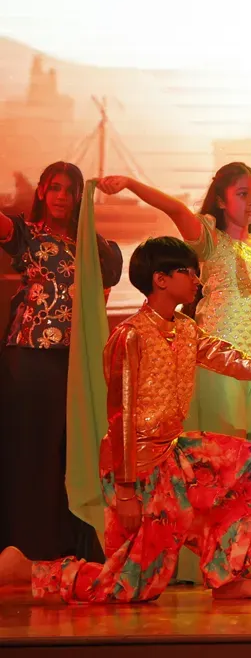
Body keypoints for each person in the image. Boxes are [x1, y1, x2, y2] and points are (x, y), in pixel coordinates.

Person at [0, 236, 251, 604]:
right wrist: (126, 490)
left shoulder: (187, 330)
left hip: (175, 455)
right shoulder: (129, 336)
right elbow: (120, 416)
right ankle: (26, 570)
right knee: (127, 588)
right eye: (189, 272)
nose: (197, 280)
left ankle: (227, 577)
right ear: (161, 279)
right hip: (135, 468)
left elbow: (246, 365)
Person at [98, 163, 251, 584]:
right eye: (242, 193)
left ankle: (246, 563)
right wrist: (130, 183)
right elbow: (175, 209)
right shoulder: (211, 242)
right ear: (220, 198)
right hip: (218, 366)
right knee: (216, 472)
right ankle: (206, 566)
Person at [0, 162, 123, 564]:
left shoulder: (96, 246)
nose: (62, 197)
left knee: (75, 451)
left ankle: (73, 545)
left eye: (70, 190)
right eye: (54, 188)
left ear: (79, 197)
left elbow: (106, 287)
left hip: (78, 360)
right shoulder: (27, 234)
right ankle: (29, 547)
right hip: (30, 356)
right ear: (41, 191)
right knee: (33, 450)